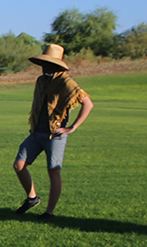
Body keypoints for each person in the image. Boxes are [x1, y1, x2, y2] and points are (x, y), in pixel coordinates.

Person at [13, 43, 94, 219]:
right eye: (43, 64)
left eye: (49, 65)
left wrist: (72, 127)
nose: (45, 68)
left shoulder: (66, 82)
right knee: (19, 165)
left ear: (57, 66)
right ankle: (32, 198)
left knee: (53, 171)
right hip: (36, 133)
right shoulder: (41, 81)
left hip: (54, 135)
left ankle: (49, 212)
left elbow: (88, 103)